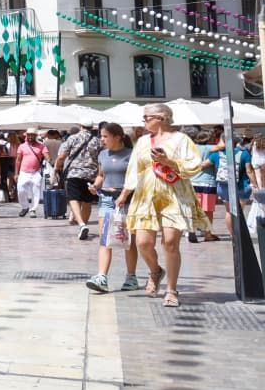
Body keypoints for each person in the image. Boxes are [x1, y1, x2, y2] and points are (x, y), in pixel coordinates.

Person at [125, 103, 206, 307]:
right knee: (142, 243)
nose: (144, 121)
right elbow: (134, 169)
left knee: (170, 242)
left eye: (146, 117)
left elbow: (193, 165)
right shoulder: (143, 141)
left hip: (174, 195)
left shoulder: (182, 139)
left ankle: (171, 289)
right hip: (146, 196)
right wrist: (125, 193)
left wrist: (169, 161)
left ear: (161, 117)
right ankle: (155, 271)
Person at [86, 122, 139, 294]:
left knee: (128, 240)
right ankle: (102, 276)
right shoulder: (103, 154)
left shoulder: (131, 155)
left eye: (105, 136)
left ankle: (131, 277)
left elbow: (135, 179)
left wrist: (124, 195)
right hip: (107, 199)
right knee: (105, 238)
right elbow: (102, 175)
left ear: (118, 137)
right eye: (101, 136)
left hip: (127, 199)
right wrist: (95, 185)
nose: (102, 139)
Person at [56, 124, 102, 239]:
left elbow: (62, 156)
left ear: (81, 126)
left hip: (74, 173)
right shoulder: (97, 141)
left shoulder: (73, 138)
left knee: (73, 199)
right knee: (87, 202)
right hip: (91, 174)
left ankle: (81, 225)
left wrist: (57, 167)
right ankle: (84, 225)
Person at [14, 129, 48, 217]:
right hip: (23, 172)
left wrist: (48, 158)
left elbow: (46, 155)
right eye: (28, 135)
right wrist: (16, 173)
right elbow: (18, 160)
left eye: (32, 135)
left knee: (36, 192)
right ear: (26, 136)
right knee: (20, 189)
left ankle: (33, 209)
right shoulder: (22, 146)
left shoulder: (41, 146)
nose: (30, 137)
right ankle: (25, 207)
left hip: (36, 172)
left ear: (35, 136)